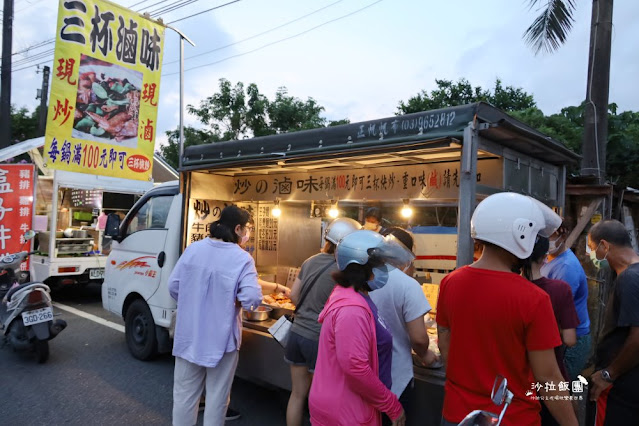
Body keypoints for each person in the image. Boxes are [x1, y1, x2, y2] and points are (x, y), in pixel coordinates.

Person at [437, 192, 578, 426]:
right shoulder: (534, 298)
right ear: (520, 234)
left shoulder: (450, 282)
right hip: (510, 418)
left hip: (456, 415)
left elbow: (445, 342)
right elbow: (548, 378)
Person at [169, 205, 262, 426]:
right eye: (247, 228)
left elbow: (173, 286)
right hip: (222, 343)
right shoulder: (242, 259)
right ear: (237, 228)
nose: (247, 233)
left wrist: (194, 300)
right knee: (217, 399)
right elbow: (252, 299)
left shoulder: (194, 249)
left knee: (184, 396)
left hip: (188, 335)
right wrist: (232, 300)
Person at [309, 230, 410, 426]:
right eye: (379, 265)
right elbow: (355, 367)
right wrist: (391, 405)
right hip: (345, 411)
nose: (384, 270)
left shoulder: (356, 295)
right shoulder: (352, 309)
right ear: (359, 268)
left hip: (352, 406)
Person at [285, 217, 361, 426]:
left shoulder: (310, 260)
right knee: (321, 396)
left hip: (296, 334)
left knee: (297, 395)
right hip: (319, 340)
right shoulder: (342, 270)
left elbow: (293, 296)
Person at [369, 227, 439, 425]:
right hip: (395, 378)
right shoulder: (408, 285)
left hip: (366, 373)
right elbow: (418, 338)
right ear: (407, 255)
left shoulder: (365, 277)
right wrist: (426, 355)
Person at [523, 236, 580, 426]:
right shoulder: (559, 289)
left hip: (517, 379)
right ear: (545, 257)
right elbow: (571, 339)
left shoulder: (509, 289)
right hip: (550, 375)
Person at [587, 220, 639, 425]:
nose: (593, 256)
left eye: (592, 249)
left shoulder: (629, 279)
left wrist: (609, 374)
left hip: (621, 386)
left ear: (605, 246)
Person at [541, 221, 591, 381]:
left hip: (572, 339)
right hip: (563, 335)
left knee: (560, 390)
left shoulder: (566, 267)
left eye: (550, 236)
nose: (546, 240)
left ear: (563, 236)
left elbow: (557, 311)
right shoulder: (548, 259)